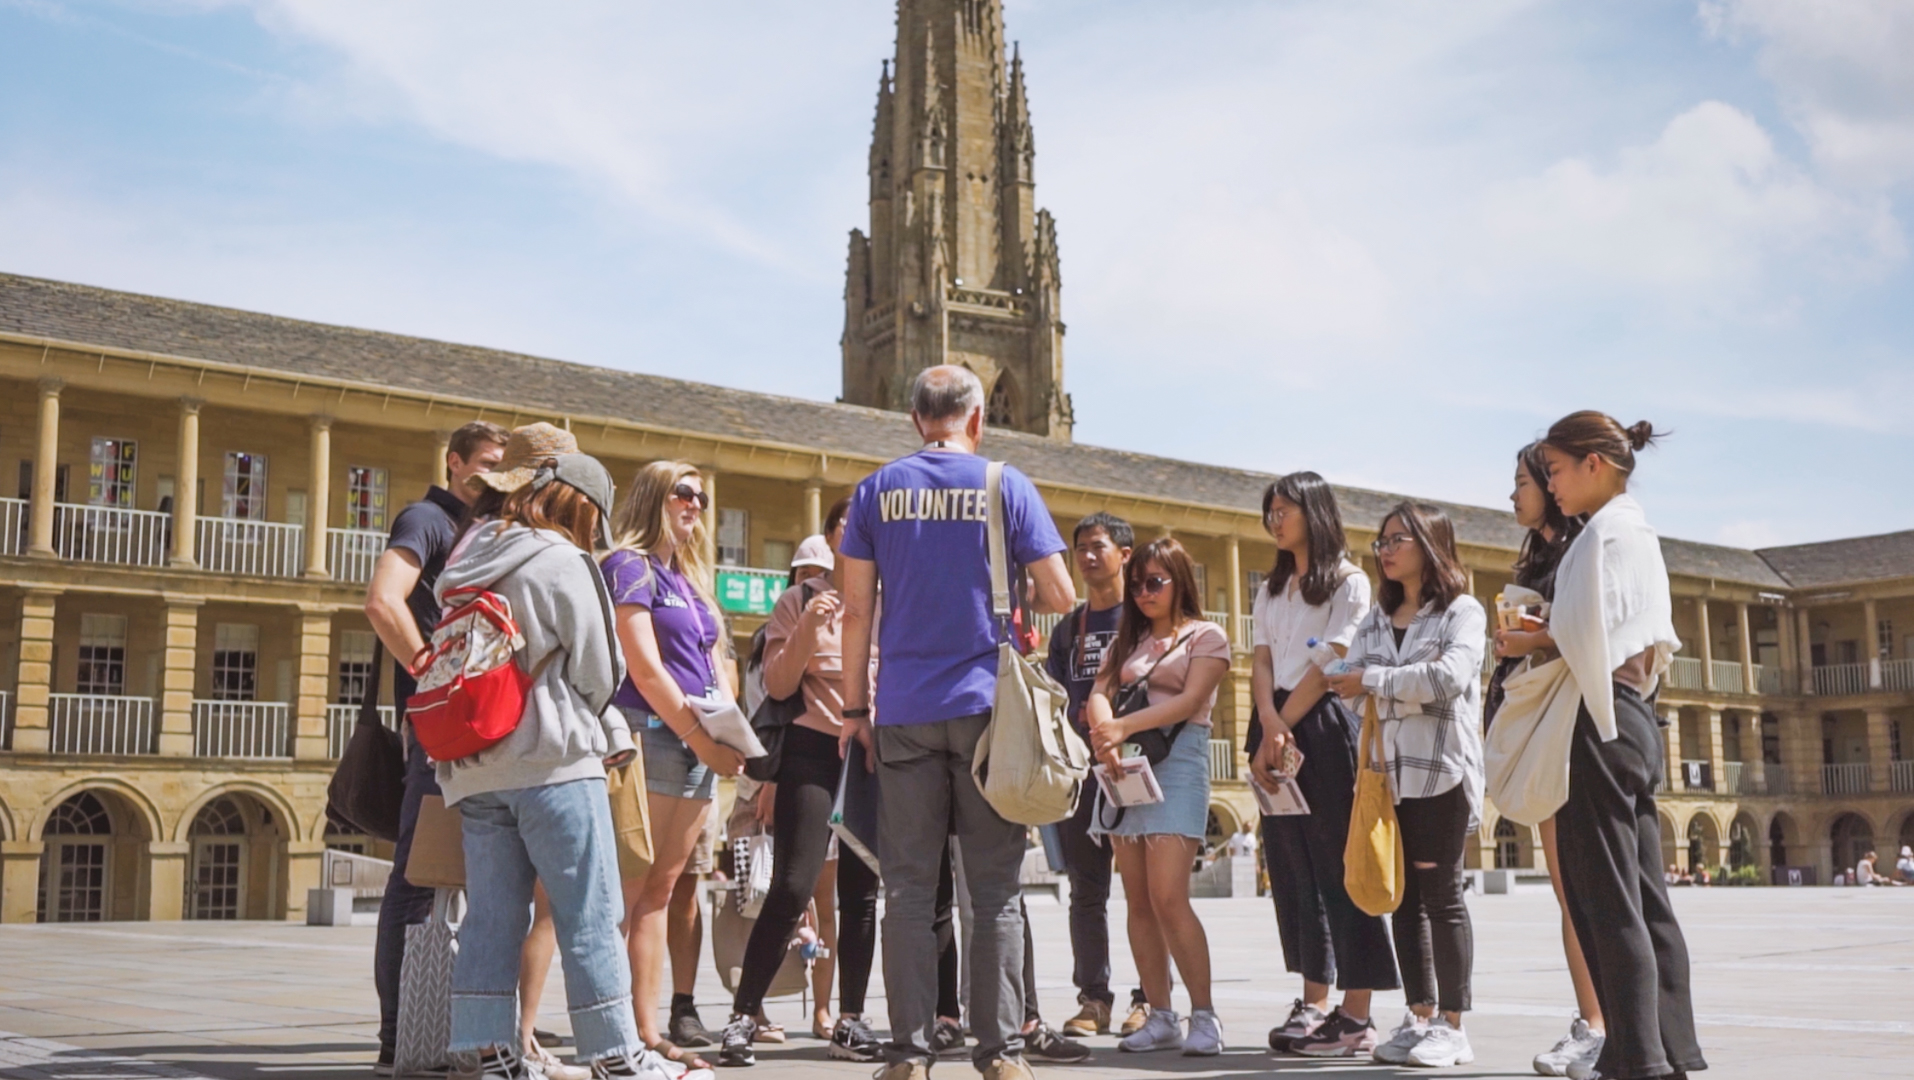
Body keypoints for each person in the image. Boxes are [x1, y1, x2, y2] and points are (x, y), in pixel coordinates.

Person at [838, 364, 1075, 1080]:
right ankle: (999, 1052)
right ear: (976, 420)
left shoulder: (877, 491)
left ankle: (908, 1053)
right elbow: (1061, 591)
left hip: (905, 709)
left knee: (908, 889)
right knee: (995, 891)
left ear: (915, 420)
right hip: (987, 711)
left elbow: (855, 613)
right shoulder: (1007, 485)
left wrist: (855, 709)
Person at [433, 452, 685, 1080]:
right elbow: (601, 670)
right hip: (551, 761)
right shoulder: (561, 560)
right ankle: (616, 1057)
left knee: (492, 915)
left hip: (475, 765)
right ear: (579, 505)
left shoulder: (466, 558)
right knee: (591, 913)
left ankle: (489, 1055)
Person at [1532, 411, 1704, 1080]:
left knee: (1605, 899)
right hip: (1632, 714)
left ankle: (1635, 1059)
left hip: (1598, 718)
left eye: (1555, 471)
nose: (1552, 485)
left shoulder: (1606, 531)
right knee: (1642, 895)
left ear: (1593, 465)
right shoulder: (1633, 529)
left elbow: (1585, 629)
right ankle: (1666, 1049)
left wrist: (1537, 631)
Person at [363, 420, 507, 1076]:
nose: (491, 481)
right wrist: (430, 671)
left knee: (463, 881)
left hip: (473, 731)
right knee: (418, 882)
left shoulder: (484, 531)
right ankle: (401, 1037)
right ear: (454, 464)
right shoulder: (428, 518)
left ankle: (442, 1028)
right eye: (482, 468)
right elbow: (382, 600)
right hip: (436, 730)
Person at [718, 504, 884, 1067]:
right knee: (792, 885)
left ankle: (852, 1020)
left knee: (862, 895)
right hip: (812, 750)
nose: (859, 537)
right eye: (849, 527)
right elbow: (778, 683)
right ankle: (744, 1014)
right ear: (834, 536)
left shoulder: (893, 602)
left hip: (870, 755)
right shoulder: (799, 600)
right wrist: (812, 626)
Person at [1244, 472, 1399, 1059]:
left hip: (1323, 723)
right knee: (1291, 869)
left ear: (1314, 512)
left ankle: (1357, 1012)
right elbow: (1261, 659)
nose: (1275, 519)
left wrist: (1283, 721)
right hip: (1273, 725)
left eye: (1284, 508)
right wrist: (1268, 722)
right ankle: (1312, 1000)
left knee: (1341, 864)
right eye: (1271, 510)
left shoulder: (1349, 583)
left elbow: (1332, 659)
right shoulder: (1271, 587)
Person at [601, 461, 746, 1071]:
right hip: (653, 736)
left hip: (696, 746)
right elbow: (641, 665)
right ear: (652, 496)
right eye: (683, 493)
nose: (695, 504)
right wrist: (700, 734)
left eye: (702, 497)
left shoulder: (686, 578)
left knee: (660, 893)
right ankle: (617, 1034)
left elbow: (715, 662)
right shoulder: (628, 565)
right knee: (629, 896)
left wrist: (726, 733)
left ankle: (647, 1030)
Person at [1333, 503, 1485, 1069]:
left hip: (1441, 771)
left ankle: (1454, 1023)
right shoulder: (1377, 618)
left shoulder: (1460, 613)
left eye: (1398, 539)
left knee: (1442, 897)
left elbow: (1448, 679)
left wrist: (1374, 679)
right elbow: (1349, 687)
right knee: (1404, 900)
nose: (1386, 549)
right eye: (1382, 541)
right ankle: (1420, 1017)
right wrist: (1362, 680)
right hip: (1389, 776)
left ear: (1429, 544)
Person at [1083, 537, 1232, 1056]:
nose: (1143, 592)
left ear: (1178, 582)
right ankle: (1161, 1013)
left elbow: (1191, 700)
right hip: (1125, 764)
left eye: (1154, 582)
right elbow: (1098, 693)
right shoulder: (1127, 639)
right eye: (1137, 583)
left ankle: (1206, 1015)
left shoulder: (1207, 635)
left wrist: (1120, 727)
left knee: (1170, 897)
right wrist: (1106, 737)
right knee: (1139, 901)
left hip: (1178, 761)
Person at [1487, 442, 1604, 1077]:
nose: (1514, 494)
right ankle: (1592, 1022)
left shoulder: (1583, 550)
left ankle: (1606, 1025)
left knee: (1586, 889)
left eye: (1524, 481)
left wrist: (1536, 632)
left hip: (1577, 723)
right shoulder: (1539, 555)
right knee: (1567, 891)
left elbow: (1591, 625)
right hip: (1541, 718)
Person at [1042, 512, 1149, 1040]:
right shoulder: (1069, 629)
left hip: (1137, 770)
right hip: (1083, 776)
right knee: (1087, 891)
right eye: (1079, 547)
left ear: (1125, 555)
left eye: (1097, 546)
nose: (1086, 556)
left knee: (1147, 892)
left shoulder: (1148, 619)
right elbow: (1055, 701)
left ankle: (1150, 999)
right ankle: (1094, 999)